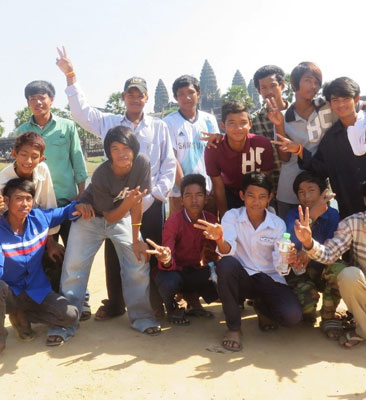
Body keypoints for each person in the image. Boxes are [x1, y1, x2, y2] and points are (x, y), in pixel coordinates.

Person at [55, 46, 176, 320]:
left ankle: (153, 302)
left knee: (148, 249)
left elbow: (168, 164)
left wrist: (155, 195)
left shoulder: (159, 127)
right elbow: (82, 112)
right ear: (123, 97)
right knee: (114, 251)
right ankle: (116, 302)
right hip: (115, 200)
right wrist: (71, 76)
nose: (135, 98)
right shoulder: (109, 122)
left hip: (150, 202)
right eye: (130, 94)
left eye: (140, 94)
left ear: (147, 98)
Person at [47, 126, 161, 345]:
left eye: (126, 148)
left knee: (137, 261)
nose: (121, 153)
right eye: (114, 148)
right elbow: (109, 216)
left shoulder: (142, 163)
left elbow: (136, 205)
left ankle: (143, 318)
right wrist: (127, 204)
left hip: (123, 216)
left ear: (134, 149)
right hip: (92, 218)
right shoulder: (101, 173)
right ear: (108, 152)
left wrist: (137, 239)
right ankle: (66, 321)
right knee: (74, 268)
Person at [195, 172, 302, 351]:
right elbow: (227, 251)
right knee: (226, 264)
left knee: (292, 317)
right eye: (251, 196)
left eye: (262, 197)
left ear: (270, 198)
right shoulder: (231, 217)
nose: (256, 201)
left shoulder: (277, 224)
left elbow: (280, 266)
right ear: (242, 196)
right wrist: (220, 239)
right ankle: (234, 328)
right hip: (242, 277)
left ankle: (262, 307)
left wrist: (287, 258)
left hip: (269, 279)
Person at [13, 79, 90, 318]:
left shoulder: (66, 126)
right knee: (45, 253)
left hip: (67, 201)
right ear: (28, 103)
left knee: (76, 252)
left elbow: (77, 160)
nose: (38, 102)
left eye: (42, 97)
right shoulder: (23, 131)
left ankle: (82, 300)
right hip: (38, 206)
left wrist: (82, 193)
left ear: (51, 100)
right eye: (32, 98)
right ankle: (52, 301)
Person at [268, 63, 366, 220]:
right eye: (308, 80)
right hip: (290, 189)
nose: (313, 86)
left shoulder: (328, 105)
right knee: (290, 237)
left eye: (317, 82)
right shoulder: (281, 116)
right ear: (294, 82)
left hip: (320, 186)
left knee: (323, 236)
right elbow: (284, 158)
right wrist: (279, 126)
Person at [294, 175, 366, 348]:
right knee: (347, 274)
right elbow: (329, 255)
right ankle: (363, 332)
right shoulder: (353, 223)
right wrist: (308, 242)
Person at [0, 178, 90, 353]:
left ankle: (23, 315)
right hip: (9, 293)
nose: (24, 204)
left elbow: (64, 212)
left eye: (28, 199)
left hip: (37, 291)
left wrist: (77, 206)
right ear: (6, 201)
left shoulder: (39, 218)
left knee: (70, 316)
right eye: (19, 199)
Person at [146, 174, 219, 326]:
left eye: (199, 195)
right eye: (188, 196)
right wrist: (166, 259)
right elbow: (167, 255)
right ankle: (171, 307)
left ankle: (192, 300)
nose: (194, 200)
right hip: (172, 271)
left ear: (206, 198)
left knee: (221, 274)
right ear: (182, 200)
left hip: (193, 269)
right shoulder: (173, 222)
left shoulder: (211, 221)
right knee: (169, 281)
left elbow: (215, 254)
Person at [285, 171, 347, 338]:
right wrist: (312, 216)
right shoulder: (293, 214)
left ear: (323, 193)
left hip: (323, 269)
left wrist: (308, 251)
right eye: (301, 192)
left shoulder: (333, 215)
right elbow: (292, 242)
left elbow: (333, 248)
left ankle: (328, 316)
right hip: (301, 272)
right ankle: (310, 308)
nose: (306, 196)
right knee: (306, 311)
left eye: (311, 190)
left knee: (341, 270)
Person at [0, 132, 63, 290]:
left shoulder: (42, 170)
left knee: (56, 259)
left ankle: (50, 301)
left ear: (41, 158)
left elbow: (49, 205)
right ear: (14, 154)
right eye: (23, 155)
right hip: (10, 237)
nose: (28, 161)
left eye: (34, 156)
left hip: (37, 230)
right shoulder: (2, 180)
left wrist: (51, 242)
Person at [204, 100, 274, 218]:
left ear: (250, 124)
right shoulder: (214, 148)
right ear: (222, 125)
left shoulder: (262, 144)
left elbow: (265, 181)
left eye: (243, 122)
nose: (238, 128)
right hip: (229, 192)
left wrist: (261, 215)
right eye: (231, 123)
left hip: (255, 193)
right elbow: (219, 188)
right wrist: (225, 220)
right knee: (210, 201)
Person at [164, 75, 220, 215]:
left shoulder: (209, 120)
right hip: (179, 192)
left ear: (198, 93)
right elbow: (172, 158)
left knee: (208, 229)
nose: (186, 97)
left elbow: (216, 153)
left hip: (207, 187)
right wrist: (185, 191)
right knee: (180, 231)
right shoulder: (168, 122)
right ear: (175, 97)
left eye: (190, 93)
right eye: (181, 94)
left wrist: (215, 185)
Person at [251, 65, 289, 194]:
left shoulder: (297, 113)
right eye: (264, 88)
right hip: (272, 188)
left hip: (303, 187)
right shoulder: (254, 121)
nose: (269, 91)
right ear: (258, 91)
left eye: (273, 86)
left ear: (282, 86)